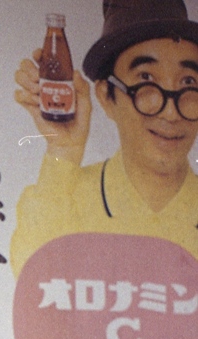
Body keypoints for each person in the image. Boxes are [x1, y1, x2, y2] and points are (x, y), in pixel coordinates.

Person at [10, 0, 198, 276]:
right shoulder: (66, 195)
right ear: (106, 97)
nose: (170, 112)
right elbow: (32, 279)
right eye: (146, 81)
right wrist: (64, 148)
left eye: (188, 83)